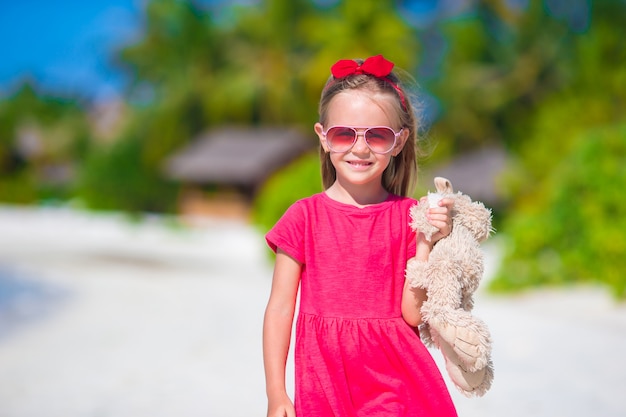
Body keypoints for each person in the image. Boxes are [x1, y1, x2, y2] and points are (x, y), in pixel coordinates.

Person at [263, 54, 457, 417]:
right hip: (323, 384)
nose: (361, 147)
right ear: (323, 137)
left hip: (396, 381)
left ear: (399, 142)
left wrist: (426, 242)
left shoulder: (410, 218)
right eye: (344, 133)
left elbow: (413, 316)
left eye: (378, 135)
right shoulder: (303, 217)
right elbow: (280, 308)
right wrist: (276, 392)